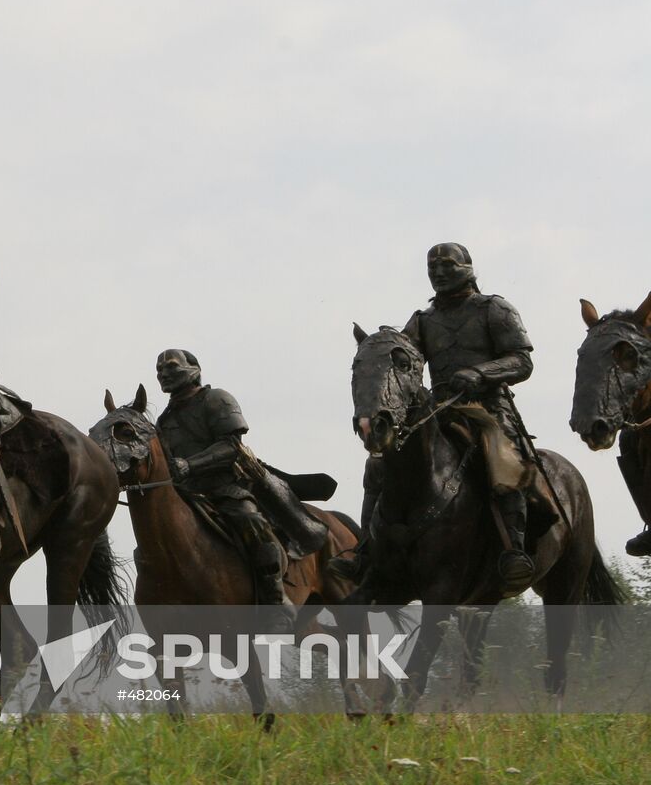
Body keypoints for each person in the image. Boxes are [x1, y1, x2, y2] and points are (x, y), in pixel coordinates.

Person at [332, 243, 537, 591]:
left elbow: (522, 361)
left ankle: (513, 550)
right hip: (437, 409)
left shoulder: (494, 308)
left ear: (467, 267)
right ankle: (364, 550)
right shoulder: (423, 321)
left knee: (500, 460)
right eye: (432, 268)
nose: (439, 273)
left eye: (447, 265)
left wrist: (480, 374)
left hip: (488, 407)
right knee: (381, 464)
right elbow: (404, 360)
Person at [155, 348, 293, 629]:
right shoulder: (163, 420)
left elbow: (231, 445)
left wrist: (189, 466)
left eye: (171, 366)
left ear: (192, 369)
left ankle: (275, 601)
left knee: (252, 522)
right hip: (187, 496)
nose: (163, 373)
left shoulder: (216, 399)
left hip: (226, 489)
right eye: (159, 369)